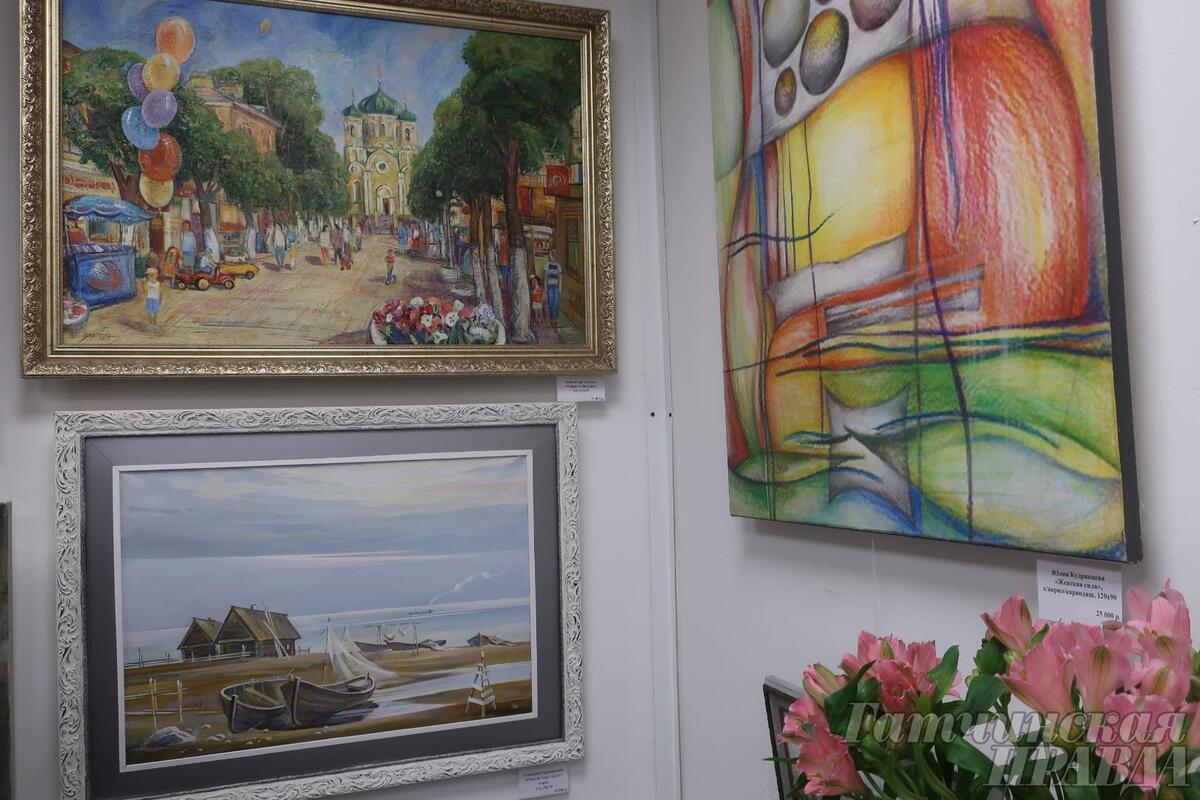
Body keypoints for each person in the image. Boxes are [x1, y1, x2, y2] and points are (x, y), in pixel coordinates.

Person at [544, 259, 563, 325]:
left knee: (556, 303)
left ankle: (554, 319)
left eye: (554, 255)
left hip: (556, 286)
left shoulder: (558, 265)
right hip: (549, 286)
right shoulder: (547, 265)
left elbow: (560, 277)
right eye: (551, 255)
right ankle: (551, 318)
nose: (553, 257)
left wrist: (560, 287)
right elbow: (545, 277)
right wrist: (545, 288)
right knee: (551, 302)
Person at [144, 266, 161, 331]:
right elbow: (145, 290)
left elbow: (159, 292)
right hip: (150, 299)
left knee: (155, 313)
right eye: (150, 275)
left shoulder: (158, 283)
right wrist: (144, 283)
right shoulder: (148, 283)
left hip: (155, 299)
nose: (150, 276)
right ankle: (151, 325)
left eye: (151, 275)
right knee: (150, 313)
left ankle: (154, 325)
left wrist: (159, 299)